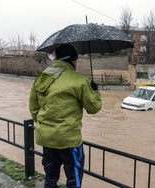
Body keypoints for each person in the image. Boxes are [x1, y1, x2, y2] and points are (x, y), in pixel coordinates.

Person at [29, 44, 102, 188]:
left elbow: (33, 107)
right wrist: (94, 91)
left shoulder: (41, 78)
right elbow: (93, 108)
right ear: (73, 60)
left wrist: (46, 126)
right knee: (74, 180)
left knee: (50, 178)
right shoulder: (79, 80)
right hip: (68, 140)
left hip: (46, 137)